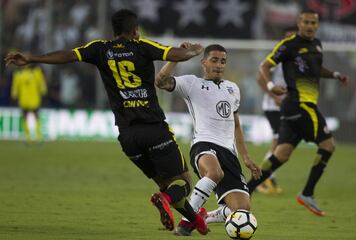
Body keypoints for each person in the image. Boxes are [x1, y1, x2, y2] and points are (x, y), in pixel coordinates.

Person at [5, 9, 208, 234]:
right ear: (134, 30)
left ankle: (196, 223)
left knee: (168, 185)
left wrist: (32, 58)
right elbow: (177, 55)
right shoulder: (143, 46)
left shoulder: (100, 48)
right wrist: (194, 50)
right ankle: (164, 199)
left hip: (128, 138)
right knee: (185, 184)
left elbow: (67, 55)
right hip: (154, 129)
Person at [247, 10, 349, 216]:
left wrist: (335, 75)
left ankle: (245, 190)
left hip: (297, 106)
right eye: (306, 22)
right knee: (328, 145)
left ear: (317, 25)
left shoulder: (317, 44)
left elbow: (316, 69)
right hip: (300, 104)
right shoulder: (289, 45)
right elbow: (264, 66)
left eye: (313, 22)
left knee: (281, 154)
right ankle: (307, 193)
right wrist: (270, 85)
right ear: (299, 23)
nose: (310, 26)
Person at [155, 44, 262, 236]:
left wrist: (245, 157)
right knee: (214, 172)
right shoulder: (191, 83)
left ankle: (204, 217)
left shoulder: (233, 89)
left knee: (241, 211)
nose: (219, 65)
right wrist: (174, 58)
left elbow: (236, 125)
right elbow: (160, 81)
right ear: (203, 62)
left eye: (223, 61)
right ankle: (187, 221)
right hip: (204, 145)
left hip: (229, 153)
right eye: (214, 60)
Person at [256, 28, 296, 194]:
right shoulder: (277, 58)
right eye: (287, 37)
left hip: (287, 106)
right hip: (274, 107)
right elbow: (260, 79)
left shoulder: (298, 59)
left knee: (280, 143)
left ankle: (266, 177)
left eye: (293, 37)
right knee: (280, 142)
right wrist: (274, 96)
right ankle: (262, 178)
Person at [11, 64, 47, 142]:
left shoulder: (19, 74)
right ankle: (37, 136)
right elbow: (41, 84)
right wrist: (43, 91)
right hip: (33, 99)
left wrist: (14, 94)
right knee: (35, 116)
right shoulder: (36, 72)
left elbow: (15, 87)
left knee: (26, 117)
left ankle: (29, 137)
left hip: (25, 99)